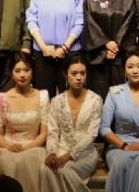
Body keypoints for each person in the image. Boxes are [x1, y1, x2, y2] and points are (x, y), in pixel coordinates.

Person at [101, 48, 139, 192]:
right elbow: (104, 128)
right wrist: (124, 146)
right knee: (121, 161)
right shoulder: (114, 92)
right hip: (119, 146)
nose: (135, 71)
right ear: (124, 70)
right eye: (130, 67)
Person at [0, 52, 49, 191]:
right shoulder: (2, 98)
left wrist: (28, 148)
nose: (22, 75)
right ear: (11, 73)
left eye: (27, 70)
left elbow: (44, 133)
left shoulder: (43, 96)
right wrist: (8, 147)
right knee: (9, 162)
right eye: (17, 70)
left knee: (27, 161)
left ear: (32, 72)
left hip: (34, 147)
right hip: (8, 147)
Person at [40, 55, 103, 192]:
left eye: (82, 73)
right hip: (60, 149)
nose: (79, 78)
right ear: (65, 74)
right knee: (45, 170)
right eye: (74, 73)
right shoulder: (57, 101)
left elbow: (91, 135)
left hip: (85, 154)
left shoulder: (95, 100)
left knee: (63, 171)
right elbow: (53, 132)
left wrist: (69, 156)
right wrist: (52, 153)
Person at [27, 0, 84, 97]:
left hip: (69, 53)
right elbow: (31, 20)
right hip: (43, 53)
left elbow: (80, 22)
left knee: (70, 97)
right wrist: (43, 46)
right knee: (44, 97)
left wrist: (65, 47)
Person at [82, 0, 137, 100]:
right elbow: (90, 25)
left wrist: (115, 45)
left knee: (120, 98)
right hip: (97, 56)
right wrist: (106, 44)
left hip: (120, 56)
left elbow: (128, 25)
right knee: (98, 98)